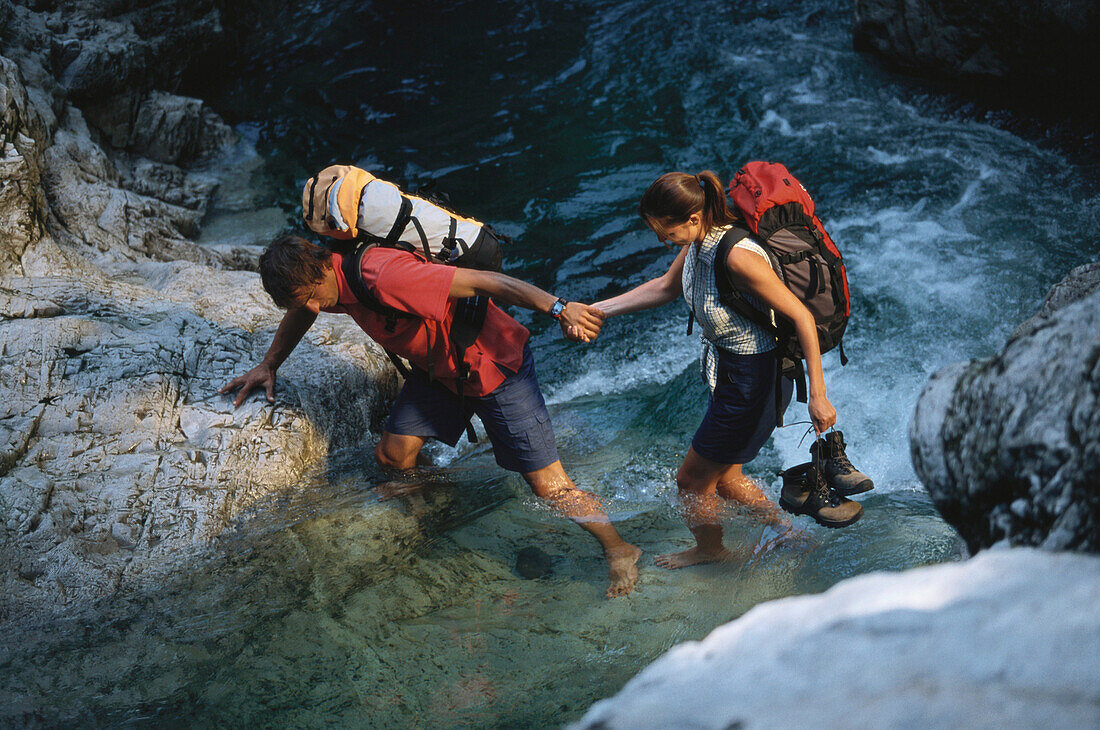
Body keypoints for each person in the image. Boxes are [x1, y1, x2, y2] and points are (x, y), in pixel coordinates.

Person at [221, 234, 642, 597]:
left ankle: (618, 547)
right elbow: (304, 308)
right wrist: (269, 364)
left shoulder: (383, 275)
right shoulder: (325, 283)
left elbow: (488, 281)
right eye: (303, 301)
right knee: (392, 457)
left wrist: (559, 308)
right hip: (440, 373)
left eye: (311, 296)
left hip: (494, 368)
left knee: (550, 487)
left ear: (319, 272)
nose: (313, 306)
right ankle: (441, 503)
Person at [586, 171, 861, 569]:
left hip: (755, 383)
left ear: (694, 218)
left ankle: (711, 552)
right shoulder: (699, 242)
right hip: (734, 373)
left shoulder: (736, 256)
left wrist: (818, 396)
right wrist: (597, 311)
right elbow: (665, 287)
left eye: (666, 233)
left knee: (690, 483)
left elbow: (802, 317)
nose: (662, 241)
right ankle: (788, 534)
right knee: (728, 478)